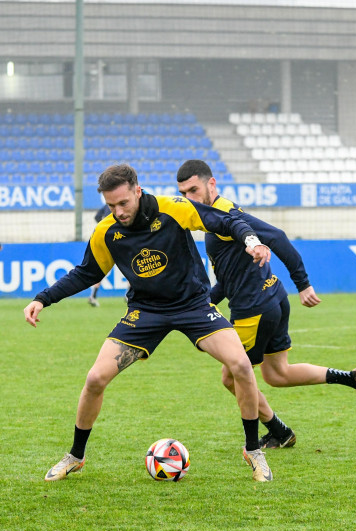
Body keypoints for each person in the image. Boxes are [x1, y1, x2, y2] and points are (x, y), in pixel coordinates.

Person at [24, 164, 277, 482]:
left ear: (137, 191)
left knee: (240, 365)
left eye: (123, 203)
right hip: (146, 312)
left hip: (194, 306)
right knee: (94, 379)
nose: (118, 211)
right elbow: (87, 273)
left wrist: (251, 242)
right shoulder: (107, 231)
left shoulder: (172, 208)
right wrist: (43, 298)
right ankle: (75, 456)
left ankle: (253, 451)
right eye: (111, 205)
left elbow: (224, 221)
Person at [175, 159, 356, 449]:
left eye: (194, 190)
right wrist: (197, 305)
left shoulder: (225, 213)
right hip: (273, 297)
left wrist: (303, 283)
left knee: (230, 376)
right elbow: (227, 279)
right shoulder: (212, 221)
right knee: (277, 373)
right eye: (183, 193)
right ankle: (351, 379)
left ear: (212, 184)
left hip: (254, 310)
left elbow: (276, 236)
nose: (189, 199)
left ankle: (279, 431)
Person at [87, 203, 110, 307]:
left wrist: (102, 225)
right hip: (119, 239)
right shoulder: (123, 207)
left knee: (100, 270)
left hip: (104, 239)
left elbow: (96, 216)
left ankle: (93, 295)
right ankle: (129, 295)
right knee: (131, 265)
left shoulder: (107, 205)